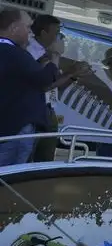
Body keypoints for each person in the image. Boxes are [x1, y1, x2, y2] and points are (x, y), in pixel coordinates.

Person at [0, 9, 61, 166]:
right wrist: (55, 56)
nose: (30, 33)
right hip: (15, 128)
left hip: (9, 125)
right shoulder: (13, 52)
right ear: (14, 28)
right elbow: (44, 79)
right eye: (27, 27)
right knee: (11, 174)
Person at [29, 16, 90, 162]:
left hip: (49, 110)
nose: (59, 38)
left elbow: (57, 86)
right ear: (44, 33)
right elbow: (46, 84)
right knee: (28, 157)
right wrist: (58, 59)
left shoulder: (47, 52)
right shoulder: (31, 50)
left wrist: (73, 76)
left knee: (45, 160)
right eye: (56, 33)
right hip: (34, 111)